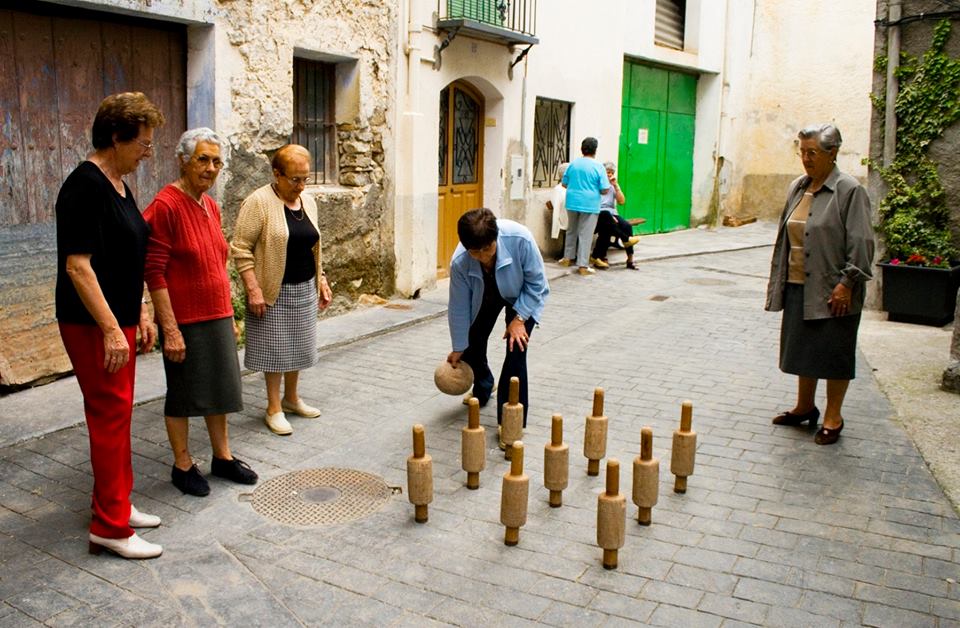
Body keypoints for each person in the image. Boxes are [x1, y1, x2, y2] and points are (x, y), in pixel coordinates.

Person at [55, 92, 164, 559]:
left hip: (116, 318)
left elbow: (127, 253)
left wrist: (138, 308)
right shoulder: (85, 185)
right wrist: (110, 329)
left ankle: (117, 504)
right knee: (108, 417)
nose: (147, 152)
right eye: (143, 144)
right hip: (91, 324)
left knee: (118, 417)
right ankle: (110, 528)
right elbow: (78, 266)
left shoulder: (118, 182)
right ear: (116, 137)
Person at [144, 128, 259, 497]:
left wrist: (230, 314)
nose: (211, 168)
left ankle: (222, 457)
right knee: (182, 393)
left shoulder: (209, 205)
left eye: (216, 161)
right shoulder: (165, 206)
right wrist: (170, 328)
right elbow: (154, 271)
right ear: (183, 160)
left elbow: (216, 260)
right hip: (185, 320)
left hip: (216, 314)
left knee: (221, 388)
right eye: (202, 160)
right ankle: (181, 464)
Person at [765, 124, 876, 446]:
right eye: (802, 152)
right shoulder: (798, 187)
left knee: (834, 353)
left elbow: (862, 243)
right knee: (803, 349)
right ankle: (804, 407)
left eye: (812, 153)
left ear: (833, 153)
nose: (806, 159)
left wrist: (847, 283)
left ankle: (833, 416)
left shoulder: (849, 190)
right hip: (800, 282)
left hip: (834, 289)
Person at [231, 144, 333, 436]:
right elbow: (241, 249)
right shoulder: (258, 202)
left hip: (304, 286)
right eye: (295, 179)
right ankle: (273, 407)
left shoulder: (308, 201)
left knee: (299, 345)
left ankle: (291, 399)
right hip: (272, 290)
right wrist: (253, 289)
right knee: (275, 351)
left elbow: (313, 245)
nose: (301, 186)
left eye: (305, 178)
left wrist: (321, 279)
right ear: (277, 174)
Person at [447, 208, 549, 434]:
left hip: (522, 294)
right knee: (471, 344)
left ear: (496, 238)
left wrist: (519, 318)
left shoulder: (520, 239)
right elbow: (459, 306)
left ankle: (510, 421)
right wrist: (458, 346)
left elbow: (536, 283)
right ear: (466, 247)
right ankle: (484, 385)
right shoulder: (460, 262)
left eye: (488, 249)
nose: (483, 256)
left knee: (516, 350)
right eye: (476, 252)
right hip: (484, 293)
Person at [558, 137, 609, 276]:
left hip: (572, 201)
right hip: (590, 204)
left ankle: (567, 258)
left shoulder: (573, 164)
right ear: (595, 150)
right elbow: (605, 189)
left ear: (582, 149)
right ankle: (582, 266)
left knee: (571, 230)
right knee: (585, 235)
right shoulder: (599, 167)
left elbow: (564, 184)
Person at [590, 162, 641, 270]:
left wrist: (616, 186)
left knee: (627, 226)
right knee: (607, 221)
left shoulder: (613, 185)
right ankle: (602, 255)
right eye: (607, 172)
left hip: (612, 214)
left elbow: (622, 201)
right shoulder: (596, 184)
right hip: (598, 215)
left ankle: (630, 259)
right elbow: (593, 203)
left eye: (612, 172)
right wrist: (610, 217)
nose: (609, 175)